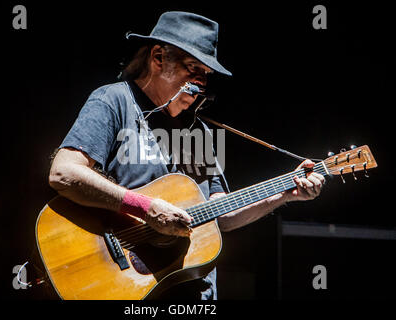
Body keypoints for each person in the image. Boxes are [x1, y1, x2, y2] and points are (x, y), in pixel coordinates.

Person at [48, 11, 325, 300]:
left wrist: (284, 193)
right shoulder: (114, 101)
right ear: (158, 58)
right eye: (193, 68)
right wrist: (145, 208)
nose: (201, 82)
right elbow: (64, 172)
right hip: (131, 288)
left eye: (206, 74)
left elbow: (222, 215)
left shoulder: (199, 132)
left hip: (195, 295)